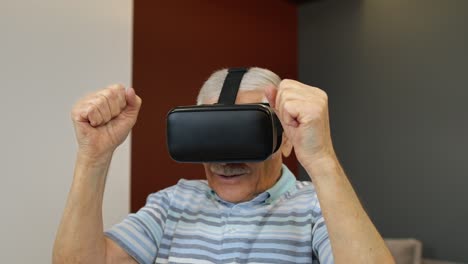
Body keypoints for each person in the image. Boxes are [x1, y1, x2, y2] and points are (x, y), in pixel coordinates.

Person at [53, 67, 395, 264]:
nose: (227, 160)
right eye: (214, 134)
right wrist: (92, 158)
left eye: (245, 134)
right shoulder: (172, 203)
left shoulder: (318, 208)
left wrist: (321, 159)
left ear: (286, 139)